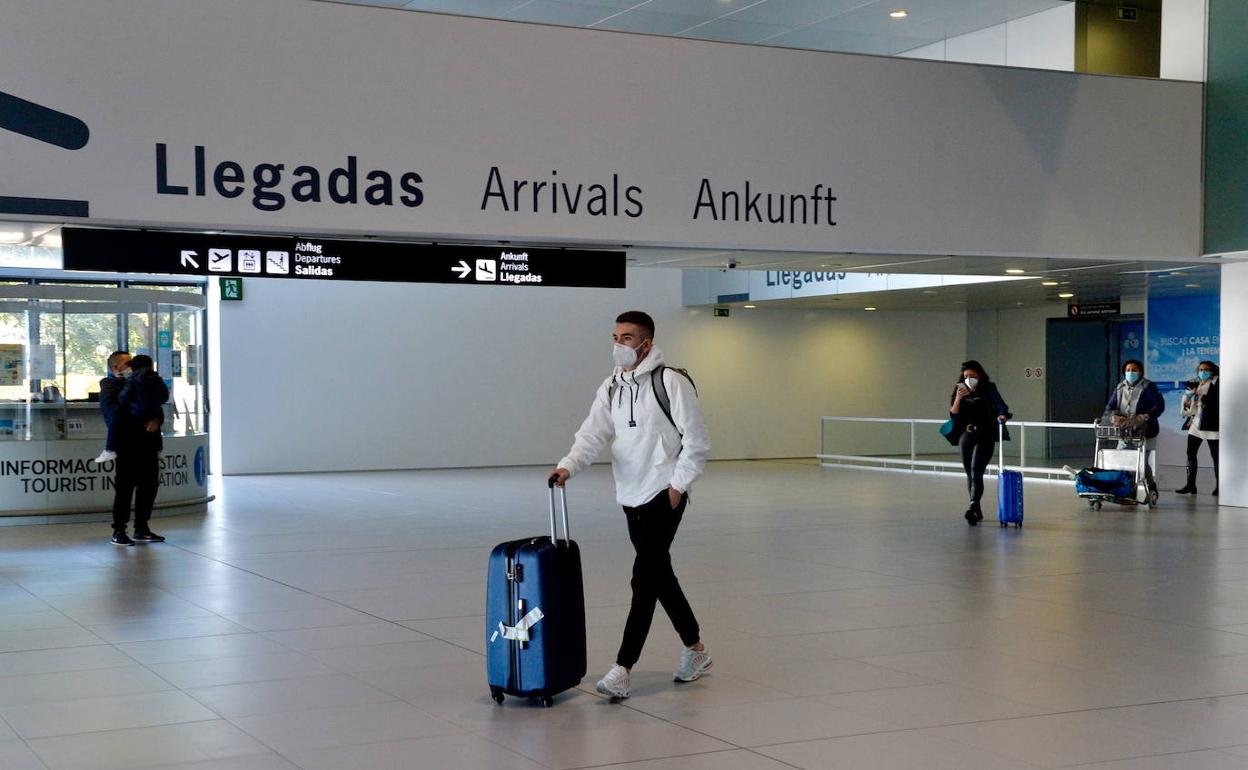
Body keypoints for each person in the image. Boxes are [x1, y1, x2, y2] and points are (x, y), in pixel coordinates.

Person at [549, 310, 712, 701]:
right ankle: (697, 651)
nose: (619, 344)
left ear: (647, 343)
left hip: (663, 492)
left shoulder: (670, 381)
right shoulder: (611, 387)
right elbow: (592, 433)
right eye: (616, 336)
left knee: (644, 578)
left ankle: (623, 669)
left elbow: (697, 441)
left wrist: (677, 487)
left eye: (627, 337)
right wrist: (568, 465)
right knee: (660, 576)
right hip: (630, 495)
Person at [99, 351, 168, 546]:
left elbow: (157, 407)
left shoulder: (144, 381)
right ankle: (119, 530)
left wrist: (156, 420)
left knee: (149, 487)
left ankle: (142, 527)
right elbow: (113, 416)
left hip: (149, 443)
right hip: (127, 445)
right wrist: (143, 420)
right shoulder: (109, 387)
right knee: (125, 489)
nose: (132, 366)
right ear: (115, 368)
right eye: (127, 363)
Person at [947, 360, 1011, 526]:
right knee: (970, 472)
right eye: (966, 376)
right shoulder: (960, 389)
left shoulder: (988, 388)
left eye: (973, 376)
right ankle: (975, 506)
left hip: (986, 433)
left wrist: (1002, 415)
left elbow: (1001, 406)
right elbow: (954, 414)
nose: (969, 378)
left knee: (977, 470)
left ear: (980, 375)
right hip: (967, 434)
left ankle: (973, 505)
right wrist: (959, 398)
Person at [1105, 359, 1164, 501]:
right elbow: (1110, 406)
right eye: (1128, 370)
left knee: (1140, 462)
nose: (1131, 373)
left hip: (1145, 432)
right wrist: (1114, 417)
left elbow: (1159, 405)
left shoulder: (1149, 386)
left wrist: (1145, 416)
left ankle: (1148, 487)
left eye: (1134, 370)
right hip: (1125, 431)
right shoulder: (1120, 387)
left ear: (1140, 371)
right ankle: (1128, 491)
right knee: (1123, 461)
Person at [1176, 360, 1220, 496]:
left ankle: (1220, 486)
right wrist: (1189, 398)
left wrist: (1203, 399)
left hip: (1212, 426)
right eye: (1201, 369)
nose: (1203, 372)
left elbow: (1219, 403)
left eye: (1206, 369)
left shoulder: (1218, 384)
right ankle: (1190, 485)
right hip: (1195, 424)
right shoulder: (1194, 384)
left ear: (1212, 371)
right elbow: (1186, 409)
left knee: (1216, 457)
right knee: (1190, 454)